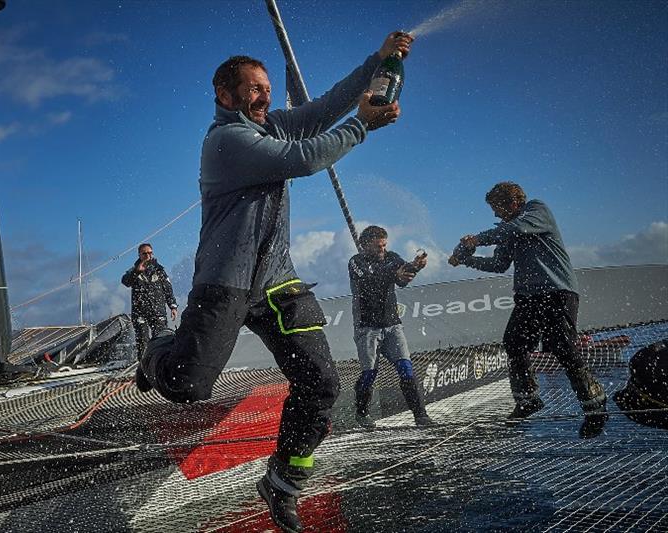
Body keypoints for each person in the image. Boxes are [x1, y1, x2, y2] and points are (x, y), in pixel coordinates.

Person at [136, 32, 414, 533]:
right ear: (225, 95)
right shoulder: (227, 141)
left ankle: (283, 480)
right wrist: (363, 127)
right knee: (187, 387)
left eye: (266, 87)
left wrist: (379, 61)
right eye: (254, 89)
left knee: (322, 382)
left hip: (278, 284)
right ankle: (156, 350)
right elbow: (304, 160)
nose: (264, 96)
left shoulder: (270, 125)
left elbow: (327, 105)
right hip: (225, 284)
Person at [448, 181, 608, 439]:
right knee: (514, 342)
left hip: (557, 291)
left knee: (562, 347)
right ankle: (528, 399)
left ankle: (594, 404)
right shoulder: (507, 230)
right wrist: (466, 259)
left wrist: (477, 239)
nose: (495, 215)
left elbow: (516, 228)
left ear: (513, 203)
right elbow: (499, 264)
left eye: (497, 208)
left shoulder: (536, 210)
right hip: (528, 296)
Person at [349, 225, 432, 429]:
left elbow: (402, 278)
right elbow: (371, 280)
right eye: (378, 247)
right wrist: (396, 273)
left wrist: (415, 266)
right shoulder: (355, 262)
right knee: (370, 373)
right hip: (367, 327)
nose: (382, 250)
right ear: (364, 245)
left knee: (406, 368)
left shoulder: (392, 257)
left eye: (384, 246)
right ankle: (362, 412)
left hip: (393, 325)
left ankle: (421, 416)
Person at [121, 243, 178, 358]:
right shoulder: (133, 270)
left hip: (158, 311)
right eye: (145, 253)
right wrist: (137, 271)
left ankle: (159, 363)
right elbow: (126, 282)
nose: (148, 256)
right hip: (140, 312)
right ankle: (143, 365)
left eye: (150, 253)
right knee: (143, 340)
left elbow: (168, 289)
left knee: (161, 339)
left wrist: (173, 306)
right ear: (139, 255)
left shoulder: (160, 270)